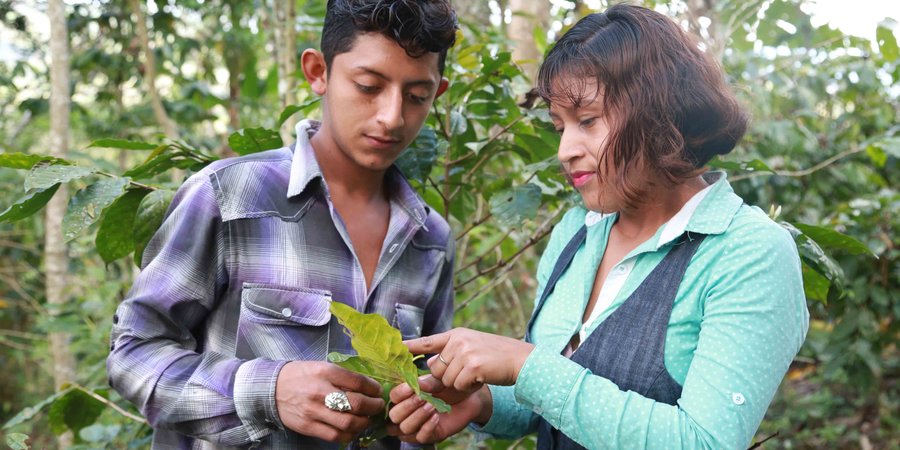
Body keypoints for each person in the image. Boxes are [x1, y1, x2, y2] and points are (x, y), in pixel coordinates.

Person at [387, 4, 809, 449]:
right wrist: (482, 402)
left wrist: (525, 364)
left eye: (587, 121)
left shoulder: (749, 254)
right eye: (559, 126)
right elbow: (545, 405)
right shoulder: (577, 231)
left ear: (661, 111)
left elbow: (705, 441)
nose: (566, 149)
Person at [107, 1, 457, 448]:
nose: (392, 116)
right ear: (318, 72)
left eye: (416, 96)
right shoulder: (229, 197)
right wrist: (267, 391)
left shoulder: (432, 240)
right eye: (369, 86)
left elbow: (422, 400)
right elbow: (133, 354)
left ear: (438, 93)